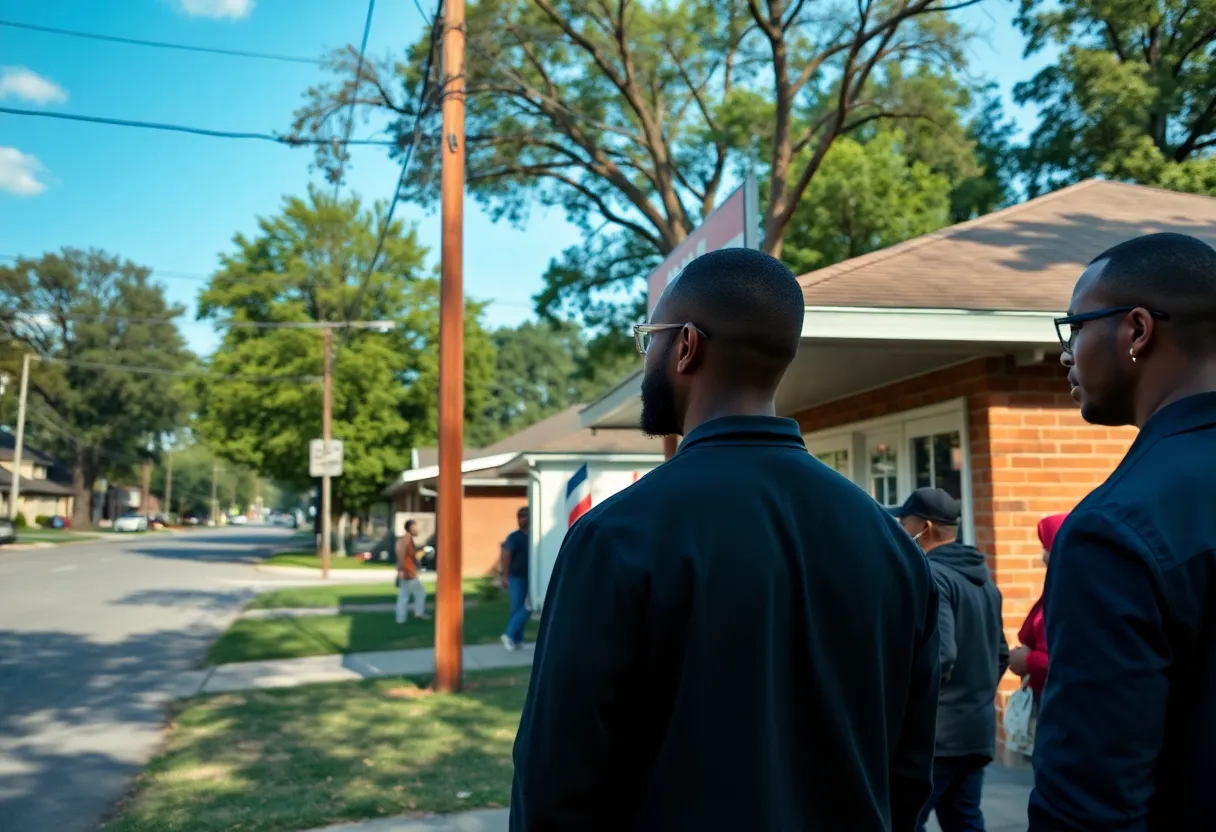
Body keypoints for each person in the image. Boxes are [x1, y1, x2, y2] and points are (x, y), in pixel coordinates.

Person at [510, 248, 941, 831]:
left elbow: (557, 780)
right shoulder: (893, 547)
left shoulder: (617, 537)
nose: (648, 360)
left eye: (650, 339)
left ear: (686, 345)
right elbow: (911, 774)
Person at [1030, 232, 1216, 831]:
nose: (1066, 353)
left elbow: (1089, 809)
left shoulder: (1113, 531)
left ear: (1136, 330)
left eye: (1075, 327)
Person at [893, 488, 1009, 832]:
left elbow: (941, 656)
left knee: (903, 820)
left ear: (924, 527)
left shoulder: (934, 577)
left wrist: (908, 710)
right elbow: (1001, 654)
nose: (900, 527)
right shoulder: (985, 581)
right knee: (964, 819)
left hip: (938, 737)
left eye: (905, 521)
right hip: (976, 731)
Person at [1008, 514, 1068, 701]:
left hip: (1059, 705)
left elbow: (1060, 663)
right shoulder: (1055, 588)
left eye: (1046, 548)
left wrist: (1027, 661)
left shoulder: (1070, 595)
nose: (1043, 556)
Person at [500, 507, 530, 651]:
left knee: (525, 607)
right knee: (520, 607)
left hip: (531, 577)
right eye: (520, 517)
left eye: (525, 516)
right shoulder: (514, 537)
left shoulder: (533, 536)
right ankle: (509, 635)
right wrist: (505, 576)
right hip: (516, 577)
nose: (522, 519)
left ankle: (517, 640)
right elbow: (506, 556)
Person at [395, 519, 428, 624]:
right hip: (408, 572)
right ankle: (418, 613)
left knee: (404, 596)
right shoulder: (406, 540)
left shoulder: (406, 540)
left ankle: (400, 619)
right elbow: (401, 555)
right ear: (411, 528)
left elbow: (410, 556)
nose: (417, 529)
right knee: (420, 593)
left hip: (406, 571)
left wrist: (420, 554)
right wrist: (401, 569)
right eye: (415, 527)